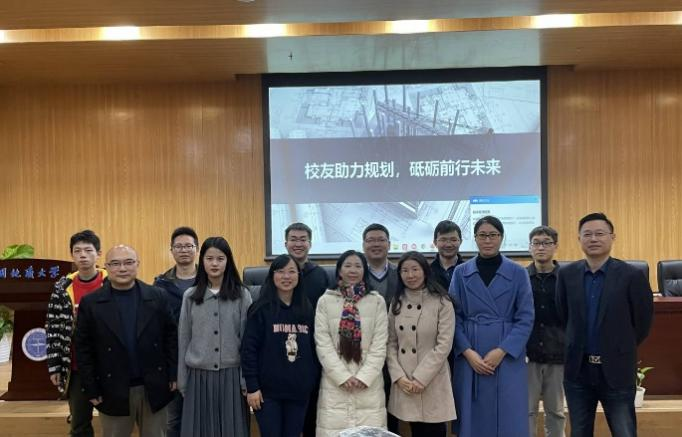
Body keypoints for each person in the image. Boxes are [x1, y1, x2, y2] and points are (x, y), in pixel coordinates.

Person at [557, 213, 653, 437]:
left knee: (624, 431)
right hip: (578, 370)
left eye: (599, 233)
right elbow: (563, 316)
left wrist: (620, 346)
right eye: (587, 234)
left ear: (612, 237)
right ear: (579, 239)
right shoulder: (567, 274)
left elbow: (643, 321)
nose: (593, 239)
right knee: (579, 431)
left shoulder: (632, 275)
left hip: (617, 369)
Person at [74, 245, 177, 437]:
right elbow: (83, 349)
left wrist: (173, 374)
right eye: (115, 263)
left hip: (154, 386)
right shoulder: (91, 303)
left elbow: (171, 337)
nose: (122, 268)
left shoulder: (157, 296)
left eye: (128, 262)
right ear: (106, 266)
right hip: (111, 389)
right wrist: (91, 388)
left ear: (137, 264)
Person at [449, 215, 534, 437]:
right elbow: (452, 318)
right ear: (475, 238)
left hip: (507, 356)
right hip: (471, 353)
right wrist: (468, 353)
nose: (488, 240)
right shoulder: (461, 272)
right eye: (482, 235)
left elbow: (526, 317)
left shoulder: (518, 272)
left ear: (501, 237)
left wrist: (502, 350)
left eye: (493, 235)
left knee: (509, 415)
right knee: (473, 416)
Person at [177, 237, 252, 437]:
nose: (215, 264)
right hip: (198, 378)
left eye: (220, 258)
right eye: (209, 258)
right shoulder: (190, 296)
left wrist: (246, 379)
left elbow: (247, 341)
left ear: (228, 261)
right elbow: (183, 339)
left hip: (231, 377)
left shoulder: (242, 295)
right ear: (202, 261)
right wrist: (182, 380)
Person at [242, 254, 319, 437]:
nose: (286, 276)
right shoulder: (260, 309)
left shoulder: (307, 308)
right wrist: (252, 387)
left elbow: (313, 348)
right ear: (272, 275)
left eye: (292, 271)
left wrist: (310, 380)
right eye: (281, 271)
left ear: (299, 276)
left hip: (298, 391)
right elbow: (249, 350)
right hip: (267, 393)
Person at [315, 250, 388, 436]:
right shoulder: (325, 301)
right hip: (335, 383)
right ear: (339, 270)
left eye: (358, 266)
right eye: (347, 266)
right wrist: (342, 376)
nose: (352, 270)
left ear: (365, 270)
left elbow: (380, 343)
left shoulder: (377, 301)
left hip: (369, 383)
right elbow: (322, 343)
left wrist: (365, 376)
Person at [387, 251, 456, 437]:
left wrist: (421, 378)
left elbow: (444, 345)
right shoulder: (396, 301)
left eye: (415, 269)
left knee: (435, 431)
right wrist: (398, 377)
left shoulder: (442, 301)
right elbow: (390, 343)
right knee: (414, 431)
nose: (410, 275)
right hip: (405, 381)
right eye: (405, 271)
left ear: (425, 271)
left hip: (432, 379)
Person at [46, 230, 108, 437]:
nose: (83, 255)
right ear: (71, 254)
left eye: (88, 250)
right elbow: (53, 327)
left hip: (110, 366)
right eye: (77, 251)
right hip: (76, 366)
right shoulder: (62, 287)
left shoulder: (111, 282)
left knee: (114, 423)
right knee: (79, 424)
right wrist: (55, 365)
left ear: (98, 254)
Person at [284, 222, 330, 436]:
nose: (298, 244)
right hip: (283, 353)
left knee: (311, 414)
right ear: (285, 243)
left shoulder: (320, 275)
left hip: (313, 353)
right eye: (293, 239)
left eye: (303, 239)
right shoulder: (277, 273)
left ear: (310, 243)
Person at [153, 226, 199, 437]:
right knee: (173, 420)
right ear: (171, 250)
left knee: (201, 418)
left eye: (188, 246)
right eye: (178, 246)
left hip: (202, 358)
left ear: (197, 249)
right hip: (172, 360)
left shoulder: (209, 280)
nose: (184, 250)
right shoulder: (160, 284)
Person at [527, 226, 565, 437]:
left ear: (555, 246)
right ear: (530, 247)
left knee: (556, 412)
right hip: (527, 354)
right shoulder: (521, 277)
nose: (541, 247)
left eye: (546, 243)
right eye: (536, 243)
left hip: (558, 353)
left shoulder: (566, 278)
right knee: (526, 411)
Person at [362, 223, 400, 433]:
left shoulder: (402, 272)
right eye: (371, 240)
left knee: (393, 409)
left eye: (380, 240)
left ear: (389, 244)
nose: (376, 244)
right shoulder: (354, 273)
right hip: (364, 353)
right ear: (363, 245)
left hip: (397, 351)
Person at [431, 220, 465, 290]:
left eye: (453, 240)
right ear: (435, 242)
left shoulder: (469, 270)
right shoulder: (427, 271)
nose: (448, 245)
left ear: (460, 242)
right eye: (443, 240)